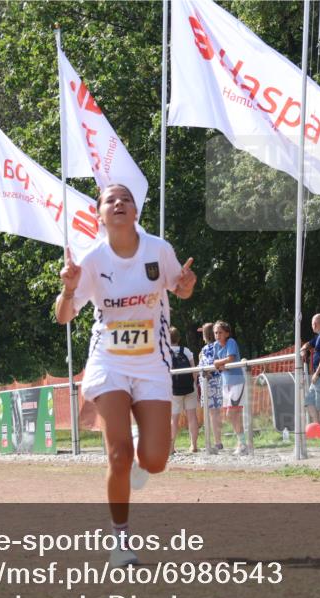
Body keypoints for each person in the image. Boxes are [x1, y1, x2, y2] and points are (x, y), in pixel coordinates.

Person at [55, 183, 196, 567]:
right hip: (109, 362)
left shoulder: (158, 249)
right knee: (118, 453)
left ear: (136, 211)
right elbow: (64, 316)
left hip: (152, 362)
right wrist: (68, 291)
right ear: (99, 215)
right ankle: (120, 541)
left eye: (125, 199)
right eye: (109, 201)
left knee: (155, 461)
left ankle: (140, 456)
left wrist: (185, 287)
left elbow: (178, 288)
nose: (118, 204)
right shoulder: (91, 258)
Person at [212, 320, 248, 455]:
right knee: (233, 414)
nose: (217, 335)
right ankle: (242, 443)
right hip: (225, 383)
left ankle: (242, 443)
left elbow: (231, 358)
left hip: (237, 381)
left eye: (220, 332)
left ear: (227, 333)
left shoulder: (231, 342)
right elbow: (217, 364)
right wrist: (220, 363)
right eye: (215, 333)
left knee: (231, 414)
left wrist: (220, 363)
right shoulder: (216, 345)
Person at [169, 327, 200, 454]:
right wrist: (193, 384)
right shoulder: (186, 350)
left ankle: (171, 447)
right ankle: (193, 445)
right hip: (189, 388)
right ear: (179, 338)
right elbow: (193, 370)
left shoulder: (164, 352)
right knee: (192, 417)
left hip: (173, 390)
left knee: (174, 419)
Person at [197, 322, 224, 451]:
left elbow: (207, 365)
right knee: (216, 413)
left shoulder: (207, 348)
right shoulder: (218, 346)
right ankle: (217, 440)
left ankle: (217, 442)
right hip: (218, 381)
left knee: (212, 413)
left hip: (210, 382)